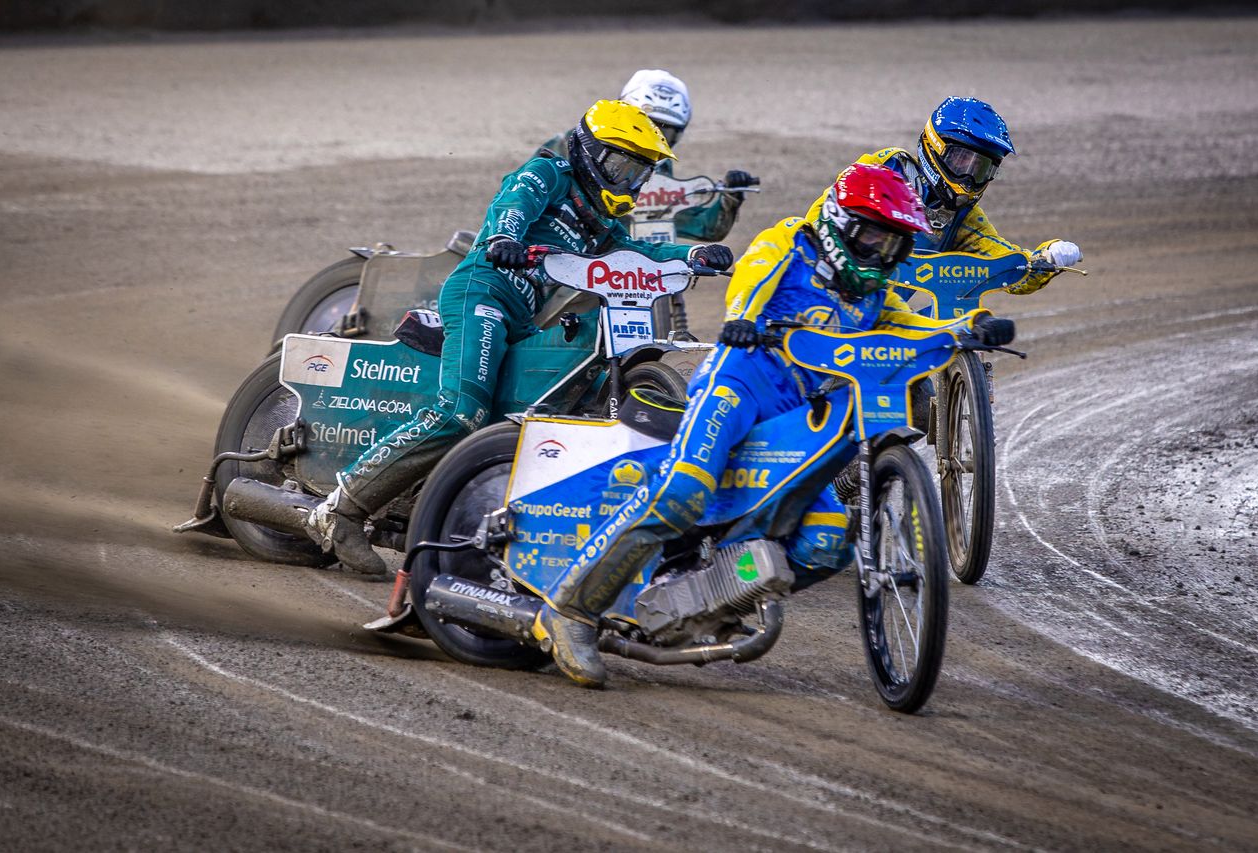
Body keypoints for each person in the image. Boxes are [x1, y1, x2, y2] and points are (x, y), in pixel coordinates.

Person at [532, 163, 1016, 687]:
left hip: (795, 417)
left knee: (828, 540)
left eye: (895, 242)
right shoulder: (792, 242)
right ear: (839, 222)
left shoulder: (872, 296)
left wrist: (968, 329)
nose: (882, 252)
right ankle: (570, 611)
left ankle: (709, 599)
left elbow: (917, 325)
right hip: (737, 385)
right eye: (873, 235)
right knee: (682, 494)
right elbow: (754, 273)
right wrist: (742, 317)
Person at [303, 99, 735, 577]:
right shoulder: (549, 174)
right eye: (621, 165)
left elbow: (640, 250)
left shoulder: (602, 222)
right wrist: (504, 238)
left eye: (639, 172)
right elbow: (513, 202)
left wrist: (693, 254)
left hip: (524, 317)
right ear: (591, 152)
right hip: (481, 292)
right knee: (462, 412)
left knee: (541, 409)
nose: (629, 181)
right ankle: (339, 512)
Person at [840, 96, 1082, 293]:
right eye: (961, 160)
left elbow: (1005, 265)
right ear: (934, 146)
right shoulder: (887, 168)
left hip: (888, 319)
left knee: (966, 331)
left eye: (981, 168)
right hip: (828, 298)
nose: (968, 177)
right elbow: (823, 217)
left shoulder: (962, 218)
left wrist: (1047, 257)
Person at [543, 70, 755, 242]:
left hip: (621, 248)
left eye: (664, 131)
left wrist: (729, 199)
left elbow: (696, 225)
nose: (652, 137)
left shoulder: (655, 166)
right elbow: (523, 192)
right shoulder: (570, 143)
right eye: (646, 123)